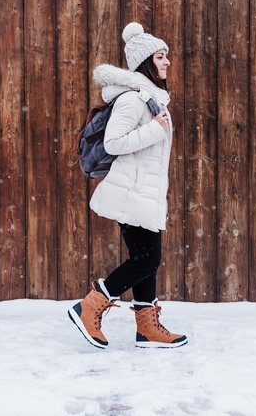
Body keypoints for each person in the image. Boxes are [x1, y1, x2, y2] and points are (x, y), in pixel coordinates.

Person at [68, 22, 187, 350]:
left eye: (167, 57)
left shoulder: (152, 101)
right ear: (146, 62)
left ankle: (147, 329)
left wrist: (155, 125)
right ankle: (89, 306)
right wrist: (154, 129)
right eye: (160, 57)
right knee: (146, 261)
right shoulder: (134, 100)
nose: (166, 62)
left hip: (143, 193)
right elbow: (113, 142)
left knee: (145, 260)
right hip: (131, 193)